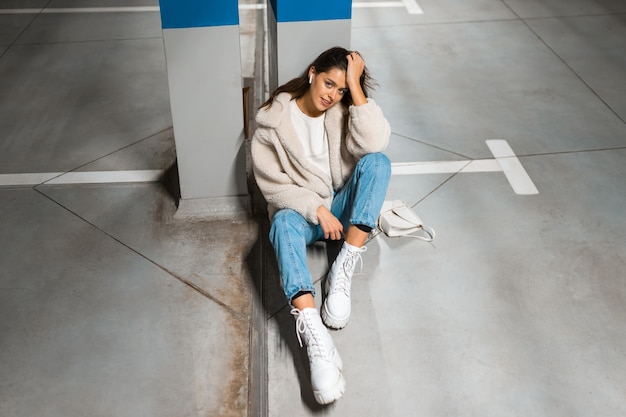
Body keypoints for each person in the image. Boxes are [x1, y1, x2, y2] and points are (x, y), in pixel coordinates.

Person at [251, 46, 391, 405]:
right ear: (313, 73)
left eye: (341, 90)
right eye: (329, 83)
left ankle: (344, 264)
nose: (332, 95)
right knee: (281, 223)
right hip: (306, 216)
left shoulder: (343, 109)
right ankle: (315, 334)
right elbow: (272, 186)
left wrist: (356, 90)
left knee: (378, 163)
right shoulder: (273, 121)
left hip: (341, 208)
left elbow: (374, 144)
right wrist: (316, 209)